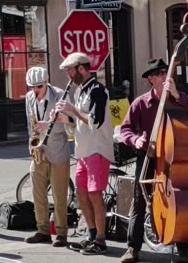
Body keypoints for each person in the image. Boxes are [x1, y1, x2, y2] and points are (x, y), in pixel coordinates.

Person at [118, 58, 188, 263]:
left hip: (173, 159)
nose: (165, 77)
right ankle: (133, 248)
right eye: (160, 74)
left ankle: (183, 246)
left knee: (181, 200)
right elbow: (124, 130)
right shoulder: (140, 103)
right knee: (138, 200)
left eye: (167, 73)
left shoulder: (177, 98)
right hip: (147, 156)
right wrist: (135, 140)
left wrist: (177, 96)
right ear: (151, 79)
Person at [54, 52, 114, 255]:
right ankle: (90, 233)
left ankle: (101, 239)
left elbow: (95, 122)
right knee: (81, 194)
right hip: (82, 151)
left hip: (97, 148)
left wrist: (72, 110)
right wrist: (66, 120)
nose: (68, 75)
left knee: (95, 194)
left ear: (81, 68)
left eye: (70, 70)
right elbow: (80, 123)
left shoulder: (98, 90)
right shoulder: (79, 91)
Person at [23, 67, 71, 247]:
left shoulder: (60, 95)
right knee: (37, 193)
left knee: (59, 194)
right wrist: (31, 141)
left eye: (39, 87)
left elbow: (69, 124)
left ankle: (61, 232)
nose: (35, 91)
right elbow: (30, 122)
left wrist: (48, 124)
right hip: (39, 151)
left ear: (47, 81)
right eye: (31, 87)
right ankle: (42, 230)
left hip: (57, 149)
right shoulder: (29, 98)